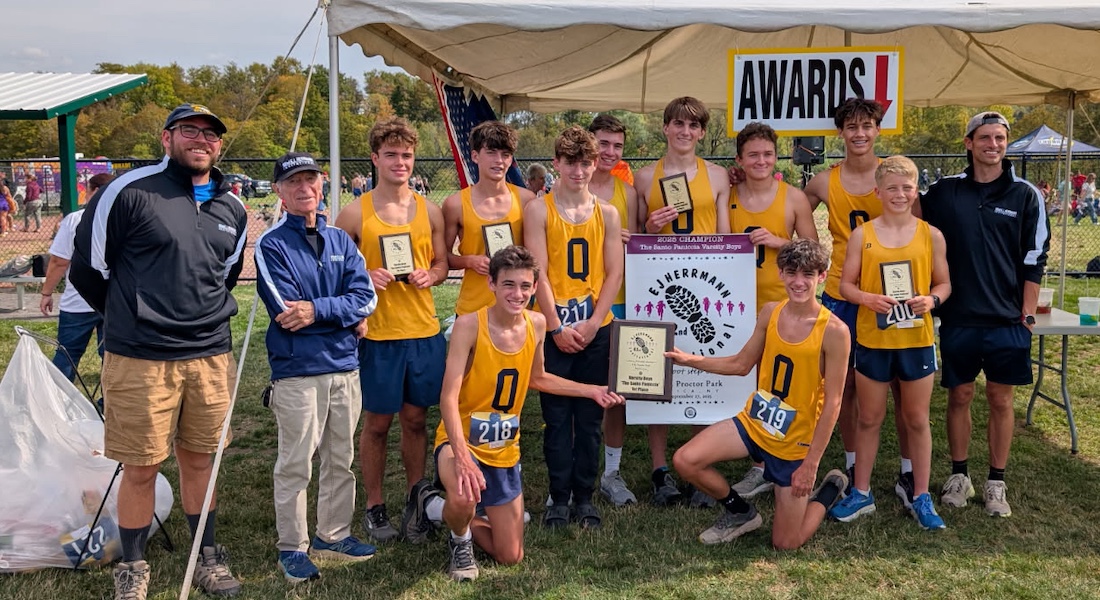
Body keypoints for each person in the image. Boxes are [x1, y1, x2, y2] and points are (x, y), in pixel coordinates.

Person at [70, 103, 248, 600]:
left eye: (211, 134)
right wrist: (132, 317)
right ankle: (133, 567)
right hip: (140, 357)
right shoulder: (127, 191)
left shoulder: (231, 207)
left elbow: (223, 276)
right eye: (189, 130)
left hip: (210, 355)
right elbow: (89, 269)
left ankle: (206, 558)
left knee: (201, 461)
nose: (201, 140)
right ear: (166, 138)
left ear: (219, 145)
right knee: (141, 466)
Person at [432, 245, 624, 581]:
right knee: (463, 492)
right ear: (491, 284)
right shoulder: (469, 325)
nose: (517, 293)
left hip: (504, 446)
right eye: (508, 284)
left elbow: (538, 378)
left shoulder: (536, 324)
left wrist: (590, 390)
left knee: (510, 556)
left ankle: (434, 508)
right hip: (460, 438)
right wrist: (461, 456)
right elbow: (448, 397)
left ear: (535, 287)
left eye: (524, 286)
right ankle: (459, 539)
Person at [668, 239, 851, 550]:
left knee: (785, 543)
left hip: (795, 444)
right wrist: (690, 360)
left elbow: (833, 402)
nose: (798, 281)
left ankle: (828, 492)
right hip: (755, 424)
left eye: (808, 274)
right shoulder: (770, 312)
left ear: (822, 276)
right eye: (791, 272)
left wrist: (810, 465)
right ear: (780, 273)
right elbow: (741, 364)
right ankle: (741, 512)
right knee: (685, 460)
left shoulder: (834, 331)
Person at [918, 111, 1050, 518]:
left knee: (1000, 398)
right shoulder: (943, 192)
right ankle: (959, 475)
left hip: (1007, 322)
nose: (994, 145)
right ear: (969, 142)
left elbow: (1034, 258)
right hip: (958, 319)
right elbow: (907, 217)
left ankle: (996, 481)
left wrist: (1026, 314)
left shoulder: (1025, 195)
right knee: (959, 395)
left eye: (1000, 138)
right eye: (985, 138)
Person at [255, 152, 379, 583]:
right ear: (280, 192)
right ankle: (292, 545)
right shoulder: (270, 245)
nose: (304, 188)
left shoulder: (342, 240)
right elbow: (285, 309)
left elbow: (367, 298)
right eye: (294, 182)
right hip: (298, 371)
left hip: (345, 366)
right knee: (296, 463)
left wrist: (319, 309)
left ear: (322, 184)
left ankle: (333, 533)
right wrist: (344, 314)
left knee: (340, 458)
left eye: (311, 179)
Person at [334, 117, 450, 545]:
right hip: (377, 334)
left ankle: (417, 501)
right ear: (375, 158)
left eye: (406, 155)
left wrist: (430, 276)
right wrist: (365, 274)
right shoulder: (353, 212)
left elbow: (441, 264)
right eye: (391, 155)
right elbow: (333, 270)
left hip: (422, 330)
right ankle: (374, 505)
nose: (400, 162)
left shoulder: (429, 209)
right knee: (378, 424)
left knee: (417, 419)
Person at [829, 156, 951, 530]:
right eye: (892, 188)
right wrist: (867, 299)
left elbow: (944, 283)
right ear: (878, 192)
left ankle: (920, 495)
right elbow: (844, 285)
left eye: (907, 188)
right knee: (869, 418)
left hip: (916, 339)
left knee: (916, 419)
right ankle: (862, 493)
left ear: (916, 191)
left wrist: (931, 301)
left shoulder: (930, 234)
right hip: (873, 338)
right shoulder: (862, 235)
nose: (900, 194)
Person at [801, 98, 913, 502]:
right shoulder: (823, 182)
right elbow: (792, 208)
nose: (860, 133)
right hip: (842, 293)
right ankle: (851, 463)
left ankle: (908, 470)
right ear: (841, 132)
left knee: (902, 384)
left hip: (891, 293)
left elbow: (920, 230)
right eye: (852, 127)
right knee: (843, 384)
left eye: (867, 125)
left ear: (878, 129)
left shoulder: (896, 177)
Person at [523, 125, 623, 530]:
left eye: (586, 162)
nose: (579, 171)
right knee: (556, 418)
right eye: (571, 163)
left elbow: (614, 272)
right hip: (555, 328)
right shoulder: (538, 209)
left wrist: (595, 323)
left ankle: (585, 496)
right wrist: (557, 326)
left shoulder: (608, 213)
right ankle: (558, 497)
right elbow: (538, 271)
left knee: (589, 418)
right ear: (556, 164)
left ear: (594, 163)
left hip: (596, 328)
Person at [634, 96, 731, 507]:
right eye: (677, 124)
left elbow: (726, 235)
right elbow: (635, 234)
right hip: (659, 279)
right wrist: (653, 226)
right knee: (659, 375)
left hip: (705, 279)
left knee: (699, 372)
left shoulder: (719, 176)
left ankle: (697, 465)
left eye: (693, 126)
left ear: (702, 132)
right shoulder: (643, 177)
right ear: (665, 128)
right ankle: (660, 472)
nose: (685, 132)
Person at [726, 122, 819, 501]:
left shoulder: (793, 197)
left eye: (767, 154)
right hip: (734, 303)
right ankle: (757, 455)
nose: (761, 160)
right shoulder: (728, 193)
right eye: (753, 154)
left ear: (776, 156)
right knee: (746, 378)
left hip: (781, 303)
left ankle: (765, 465)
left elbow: (814, 248)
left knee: (776, 384)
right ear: (740, 160)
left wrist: (780, 241)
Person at [586, 114, 641, 507]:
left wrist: (629, 238)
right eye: (602, 143)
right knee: (578, 389)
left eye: (616, 146)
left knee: (615, 391)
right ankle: (577, 468)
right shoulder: (569, 184)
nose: (609, 152)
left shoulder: (628, 192)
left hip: (619, 297)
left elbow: (637, 246)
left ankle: (611, 471)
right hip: (577, 304)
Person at [442, 121, 534, 317]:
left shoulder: (527, 200)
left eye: (505, 154)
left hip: (517, 308)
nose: (499, 160)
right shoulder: (455, 204)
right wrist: (469, 261)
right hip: (473, 308)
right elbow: (441, 257)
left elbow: (538, 256)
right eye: (491, 152)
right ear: (475, 156)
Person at [39, 173, 115, 381]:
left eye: (88, 191)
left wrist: (47, 292)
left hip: (79, 300)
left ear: (95, 192)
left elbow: (59, 261)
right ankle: (107, 405)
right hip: (113, 300)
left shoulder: (75, 219)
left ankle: (58, 401)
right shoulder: (123, 218)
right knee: (112, 357)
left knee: (67, 353)